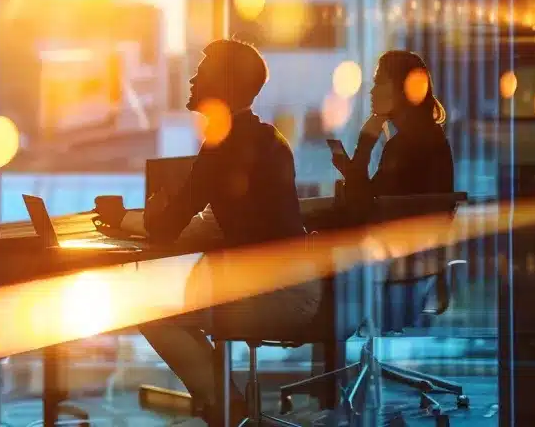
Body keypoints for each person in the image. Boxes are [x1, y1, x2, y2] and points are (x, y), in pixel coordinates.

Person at [100, 39, 317, 420]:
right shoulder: (266, 137)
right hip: (297, 287)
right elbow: (216, 222)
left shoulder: (223, 147)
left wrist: (136, 217)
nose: (192, 81)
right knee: (183, 306)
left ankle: (226, 409)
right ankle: (224, 404)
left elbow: (167, 231)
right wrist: (147, 218)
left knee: (153, 313)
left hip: (278, 296)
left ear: (222, 84)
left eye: (201, 74)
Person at [332, 50, 455, 204]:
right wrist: (351, 171)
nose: (372, 91)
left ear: (402, 89)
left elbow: (362, 208)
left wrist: (364, 144)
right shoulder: (433, 138)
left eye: (379, 83)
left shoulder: (404, 146)